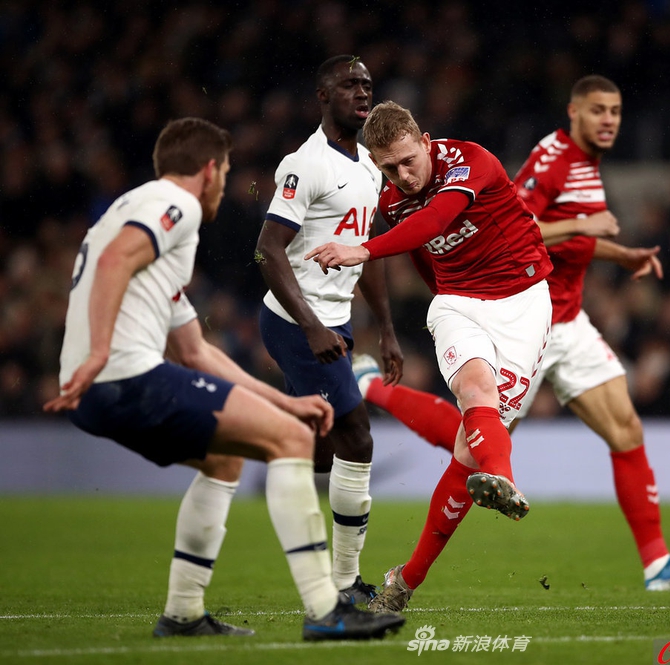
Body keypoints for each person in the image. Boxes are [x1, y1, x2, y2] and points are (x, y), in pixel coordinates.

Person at [352, 75, 670, 600]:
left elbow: (542, 231)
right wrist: (579, 229)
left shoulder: (587, 169)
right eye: (598, 110)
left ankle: (656, 562)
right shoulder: (551, 162)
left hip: (554, 316)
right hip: (502, 303)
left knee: (624, 429)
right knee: (475, 424)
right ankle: (375, 392)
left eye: (615, 110)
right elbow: (519, 219)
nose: (609, 121)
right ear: (574, 112)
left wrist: (619, 252)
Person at [43, 117, 404, 641]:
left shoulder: (134, 222)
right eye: (227, 169)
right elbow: (119, 259)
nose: (226, 181)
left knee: (227, 456)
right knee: (288, 444)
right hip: (124, 376)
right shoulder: (176, 206)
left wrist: (286, 404)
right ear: (209, 170)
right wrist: (100, 351)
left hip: (94, 393)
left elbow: (195, 350)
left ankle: (184, 613)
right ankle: (329, 611)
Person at [306, 100, 554, 612]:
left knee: (468, 447)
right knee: (474, 389)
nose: (402, 175)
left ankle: (405, 579)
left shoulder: (469, 162)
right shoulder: (389, 196)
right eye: (388, 168)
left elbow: (436, 219)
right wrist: (424, 316)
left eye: (406, 161)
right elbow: (423, 254)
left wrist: (364, 249)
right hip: (458, 303)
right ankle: (502, 478)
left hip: (523, 304)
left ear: (423, 141)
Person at [255, 55, 403, 605]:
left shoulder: (368, 163)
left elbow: (370, 251)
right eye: (349, 84)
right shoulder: (306, 164)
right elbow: (268, 251)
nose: (362, 92)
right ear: (323, 95)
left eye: (367, 83)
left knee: (317, 450)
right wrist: (315, 327)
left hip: (333, 324)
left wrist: (386, 328)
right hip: (296, 322)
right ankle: (345, 584)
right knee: (358, 438)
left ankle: (266, 433)